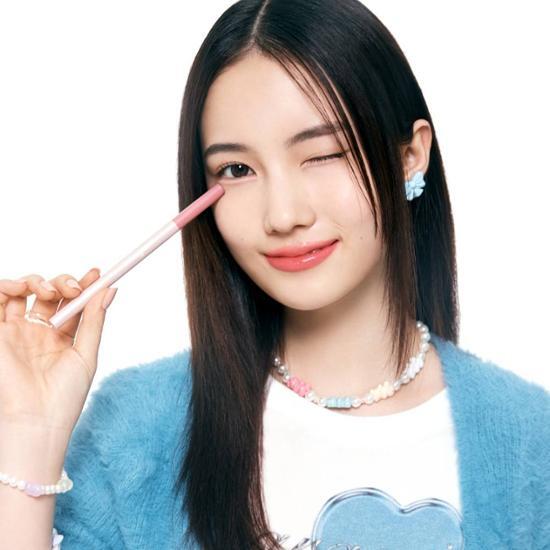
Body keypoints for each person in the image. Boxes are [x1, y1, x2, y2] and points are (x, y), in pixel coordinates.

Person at [0, 0, 548, 548]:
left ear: (410, 156)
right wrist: (29, 434)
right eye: (237, 169)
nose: (283, 215)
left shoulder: (529, 441)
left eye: (323, 153)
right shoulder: (137, 432)